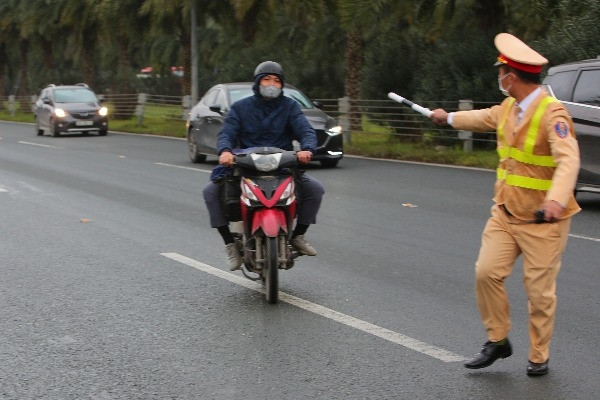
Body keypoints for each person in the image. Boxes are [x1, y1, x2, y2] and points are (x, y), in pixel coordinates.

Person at [430, 33, 580, 376]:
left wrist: (556, 201)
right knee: (486, 272)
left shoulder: (552, 114)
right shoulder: (509, 108)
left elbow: (568, 161)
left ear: (511, 77)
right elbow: (481, 117)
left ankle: (539, 354)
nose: (499, 79)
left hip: (544, 220)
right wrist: (447, 118)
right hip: (506, 213)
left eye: (501, 73)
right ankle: (498, 340)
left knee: (539, 293)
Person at [203, 61, 324, 271]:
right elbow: (227, 132)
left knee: (315, 189)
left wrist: (308, 149)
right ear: (258, 82)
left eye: (277, 81)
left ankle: (298, 236)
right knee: (211, 192)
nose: (271, 84)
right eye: (267, 79)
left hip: (282, 164)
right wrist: (225, 151)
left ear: (282, 85)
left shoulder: (290, 107)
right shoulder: (241, 108)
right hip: (245, 165)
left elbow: (305, 130)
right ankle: (230, 244)